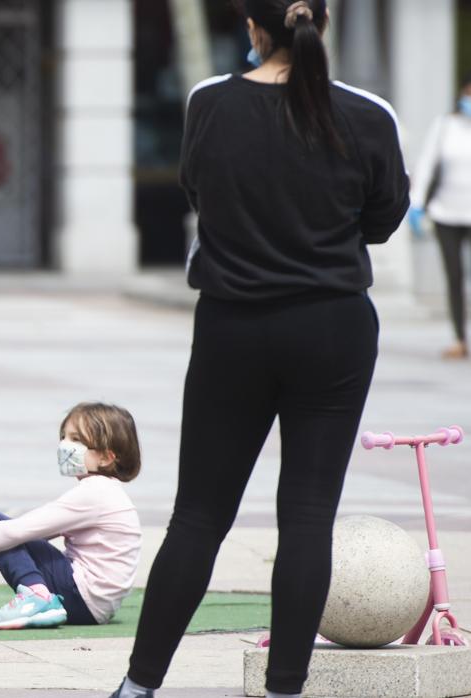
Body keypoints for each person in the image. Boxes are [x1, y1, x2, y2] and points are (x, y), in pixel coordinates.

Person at [114, 1, 409, 697]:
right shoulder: (369, 115)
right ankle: (284, 690)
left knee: (199, 516)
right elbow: (385, 218)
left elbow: (198, 191)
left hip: (231, 326)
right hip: (334, 328)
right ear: (322, 24)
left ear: (253, 29)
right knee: (308, 515)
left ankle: (139, 686)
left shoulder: (208, 103)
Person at [0, 403, 141, 631]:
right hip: (98, 606)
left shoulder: (94, 491)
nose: (64, 445)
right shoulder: (108, 490)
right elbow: (40, 533)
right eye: (64, 437)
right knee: (0, 534)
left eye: (77, 440)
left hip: (80, 597)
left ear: (106, 457)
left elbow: (21, 530)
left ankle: (36, 596)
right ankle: (40, 596)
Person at [408, 75, 471, 359]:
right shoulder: (445, 126)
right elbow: (427, 163)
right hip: (447, 212)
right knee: (454, 277)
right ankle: (459, 337)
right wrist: (417, 204)